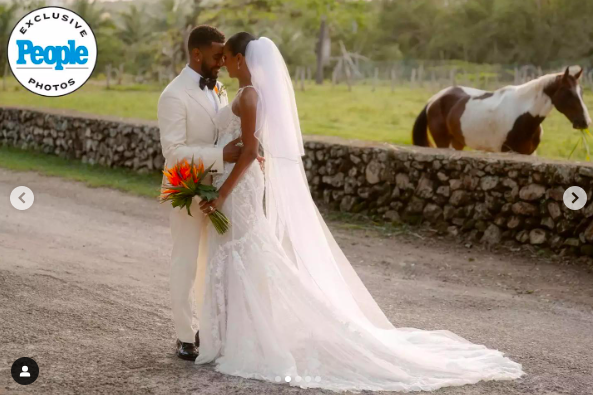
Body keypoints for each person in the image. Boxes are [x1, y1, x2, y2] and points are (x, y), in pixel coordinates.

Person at [195, 32, 525, 392]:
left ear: (241, 59)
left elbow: (249, 149)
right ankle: (235, 334)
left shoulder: (249, 94)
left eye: (227, 56)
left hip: (238, 188)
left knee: (246, 252)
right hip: (237, 182)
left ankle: (248, 337)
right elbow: (249, 146)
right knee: (239, 253)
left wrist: (223, 193)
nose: (223, 62)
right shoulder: (247, 94)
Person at [157, 25, 241, 361]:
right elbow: (173, 152)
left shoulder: (218, 88)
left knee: (217, 262)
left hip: (220, 188)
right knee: (186, 261)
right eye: (217, 54)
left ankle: (211, 329)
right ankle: (184, 336)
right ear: (197, 53)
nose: (222, 61)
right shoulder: (173, 95)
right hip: (186, 189)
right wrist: (222, 156)